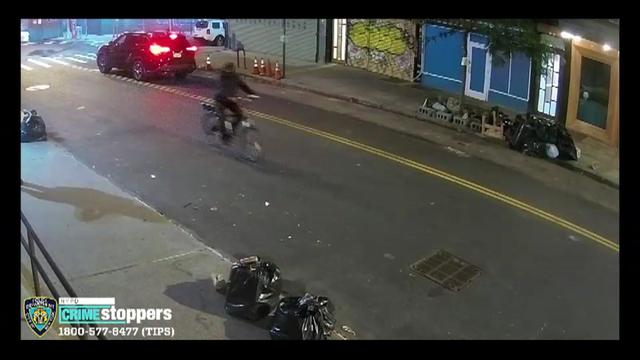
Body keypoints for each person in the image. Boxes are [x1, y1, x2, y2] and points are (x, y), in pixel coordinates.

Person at [214, 62, 259, 143]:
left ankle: (232, 130)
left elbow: (243, 86)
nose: (229, 71)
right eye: (228, 70)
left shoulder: (235, 77)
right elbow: (220, 88)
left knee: (240, 115)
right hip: (221, 100)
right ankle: (224, 136)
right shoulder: (221, 77)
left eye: (231, 70)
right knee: (222, 117)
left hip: (231, 100)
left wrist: (252, 93)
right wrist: (227, 96)